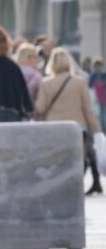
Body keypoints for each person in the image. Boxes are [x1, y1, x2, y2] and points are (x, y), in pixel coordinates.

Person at [36, 47, 102, 196]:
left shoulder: (46, 83)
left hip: (54, 129)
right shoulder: (80, 82)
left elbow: (40, 107)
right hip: (77, 129)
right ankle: (73, 189)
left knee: (57, 162)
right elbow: (88, 109)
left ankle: (58, 189)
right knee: (77, 161)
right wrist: (97, 130)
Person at [16, 42, 42, 108]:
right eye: (35, 57)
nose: (37, 59)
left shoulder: (13, 73)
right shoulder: (36, 76)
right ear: (28, 58)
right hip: (30, 111)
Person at [89, 57, 106, 134]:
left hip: (104, 99)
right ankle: (99, 131)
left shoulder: (104, 75)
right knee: (97, 116)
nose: (98, 67)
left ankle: (103, 131)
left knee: (103, 116)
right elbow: (90, 88)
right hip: (95, 100)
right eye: (96, 65)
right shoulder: (92, 76)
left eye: (99, 65)